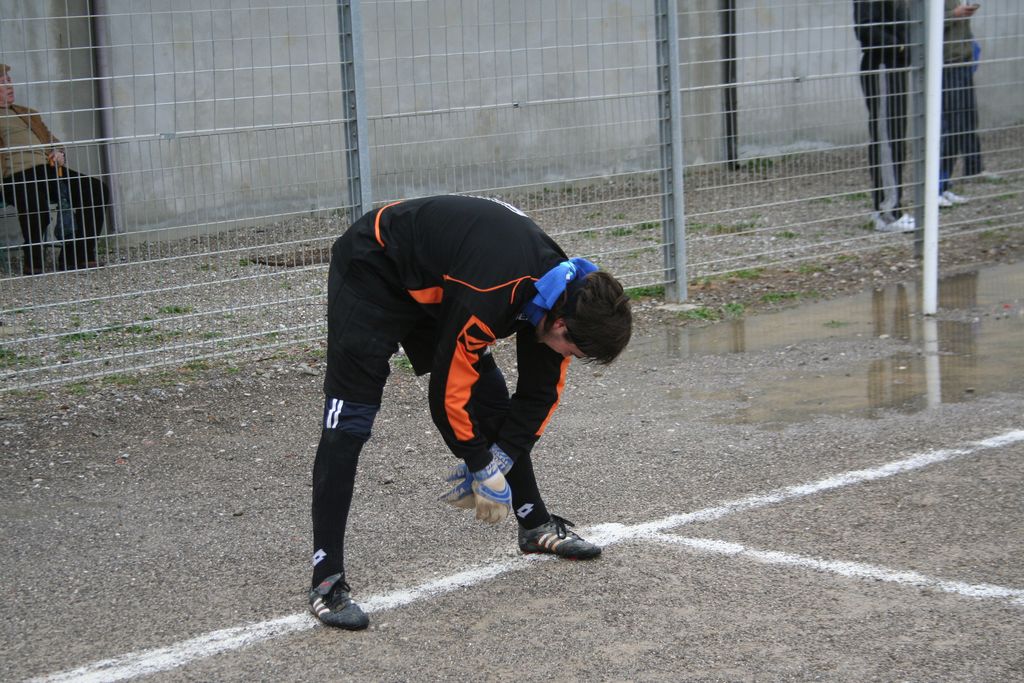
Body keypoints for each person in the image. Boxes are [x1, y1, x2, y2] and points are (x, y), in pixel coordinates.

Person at [309, 195, 633, 629]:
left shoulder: (566, 295)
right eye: (571, 350)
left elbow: (538, 398)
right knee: (348, 423)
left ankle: (534, 525)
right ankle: (326, 578)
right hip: (376, 268)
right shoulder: (495, 294)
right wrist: (482, 467)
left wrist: (499, 461)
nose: (567, 357)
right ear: (560, 325)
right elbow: (448, 397)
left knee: (492, 398)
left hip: (445, 280)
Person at [0, 63, 109, 274]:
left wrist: (58, 152)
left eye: (9, 81)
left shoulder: (28, 113)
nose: (10, 86)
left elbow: (54, 141)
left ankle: (77, 255)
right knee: (36, 205)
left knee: (95, 190)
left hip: (47, 169)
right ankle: (34, 260)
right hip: (14, 175)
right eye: (3, 83)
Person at [853, 0, 916, 233]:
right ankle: (887, 212)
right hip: (882, 64)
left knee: (895, 138)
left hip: (895, 65)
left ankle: (890, 206)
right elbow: (865, 28)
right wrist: (900, 47)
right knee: (887, 138)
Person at [937, 1, 983, 207]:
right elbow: (922, 25)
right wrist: (953, 14)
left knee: (961, 126)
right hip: (947, 65)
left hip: (962, 62)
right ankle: (936, 187)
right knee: (948, 127)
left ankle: (944, 184)